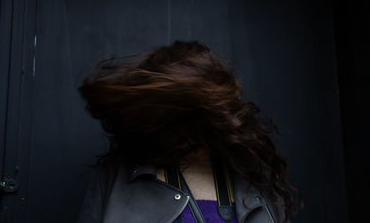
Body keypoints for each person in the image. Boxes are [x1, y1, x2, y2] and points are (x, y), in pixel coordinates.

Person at [76, 40, 302, 223]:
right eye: (175, 114)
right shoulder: (116, 176)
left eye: (192, 115)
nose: (184, 130)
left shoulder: (254, 177)